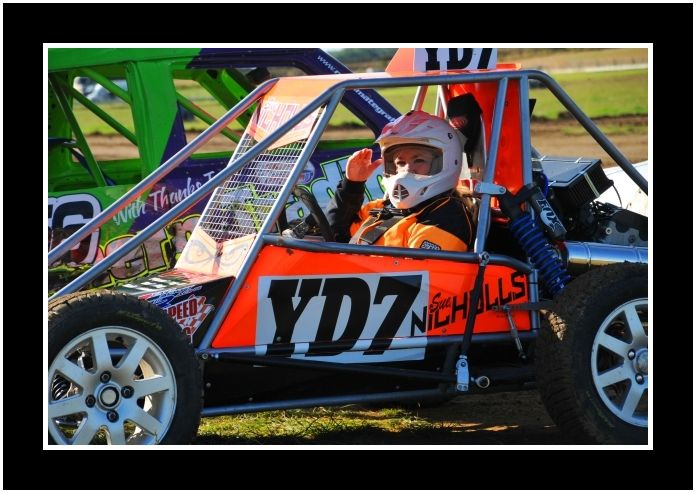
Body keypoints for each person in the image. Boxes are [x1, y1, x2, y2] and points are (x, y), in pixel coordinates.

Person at [326, 110, 475, 251]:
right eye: (401, 163)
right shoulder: (385, 208)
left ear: (447, 162)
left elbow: (415, 275)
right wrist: (352, 185)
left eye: (419, 160)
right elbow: (335, 234)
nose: (407, 170)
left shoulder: (445, 219)